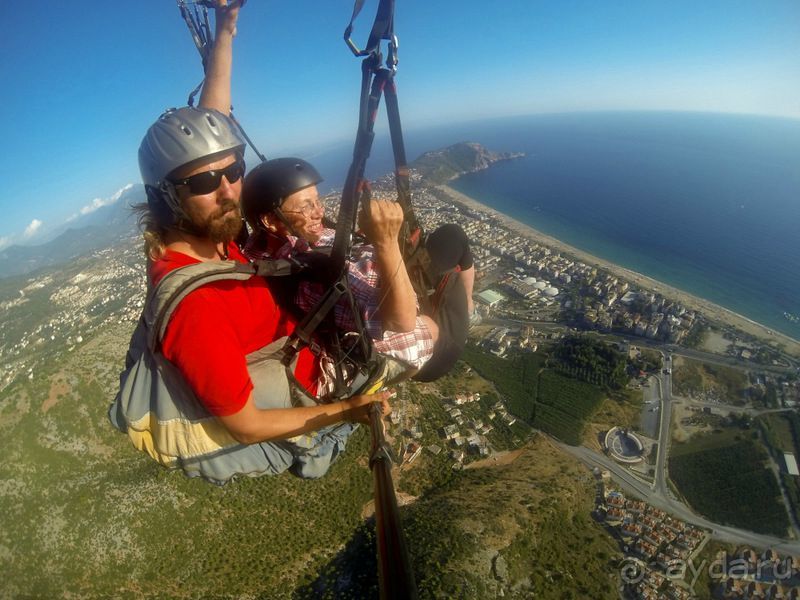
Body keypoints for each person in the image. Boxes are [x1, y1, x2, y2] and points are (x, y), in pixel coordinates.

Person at [112, 1, 399, 483]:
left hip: (307, 342)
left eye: (234, 171)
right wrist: (348, 411)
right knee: (439, 340)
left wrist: (225, 30)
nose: (228, 190)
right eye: (205, 183)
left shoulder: (212, 237)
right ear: (166, 199)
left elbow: (213, 120)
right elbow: (245, 425)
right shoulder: (196, 307)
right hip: (311, 389)